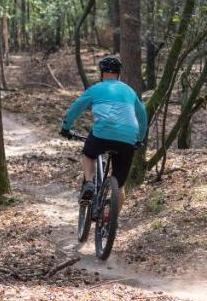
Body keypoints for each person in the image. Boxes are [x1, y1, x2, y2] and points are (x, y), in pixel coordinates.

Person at [60, 55, 149, 204]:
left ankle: (88, 182)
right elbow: (143, 117)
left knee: (88, 154)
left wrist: (65, 128)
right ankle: (110, 224)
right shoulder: (130, 91)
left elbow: (76, 108)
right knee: (120, 187)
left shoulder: (95, 89)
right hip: (128, 138)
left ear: (101, 73)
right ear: (119, 74)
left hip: (102, 134)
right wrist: (139, 139)